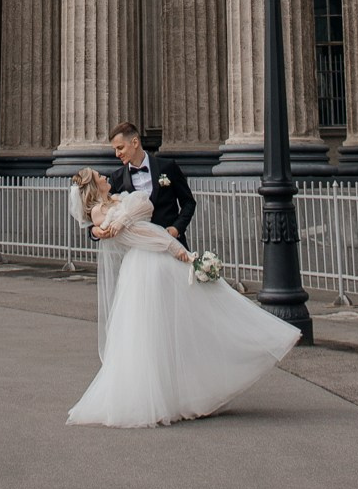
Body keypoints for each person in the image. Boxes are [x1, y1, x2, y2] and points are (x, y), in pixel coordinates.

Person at [65, 166, 299, 427]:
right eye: (100, 177)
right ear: (94, 187)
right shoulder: (106, 204)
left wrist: (123, 220)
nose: (106, 176)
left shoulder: (123, 196)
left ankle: (189, 386)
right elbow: (133, 230)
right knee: (150, 332)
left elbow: (145, 208)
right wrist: (169, 246)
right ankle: (153, 397)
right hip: (146, 266)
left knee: (188, 319)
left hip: (157, 260)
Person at [92, 122, 195, 245]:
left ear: (135, 143)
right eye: (115, 150)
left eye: (120, 148)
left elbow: (188, 202)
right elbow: (103, 209)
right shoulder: (117, 178)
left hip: (170, 242)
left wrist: (177, 228)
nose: (117, 154)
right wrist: (94, 231)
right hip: (137, 248)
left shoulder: (167, 167)